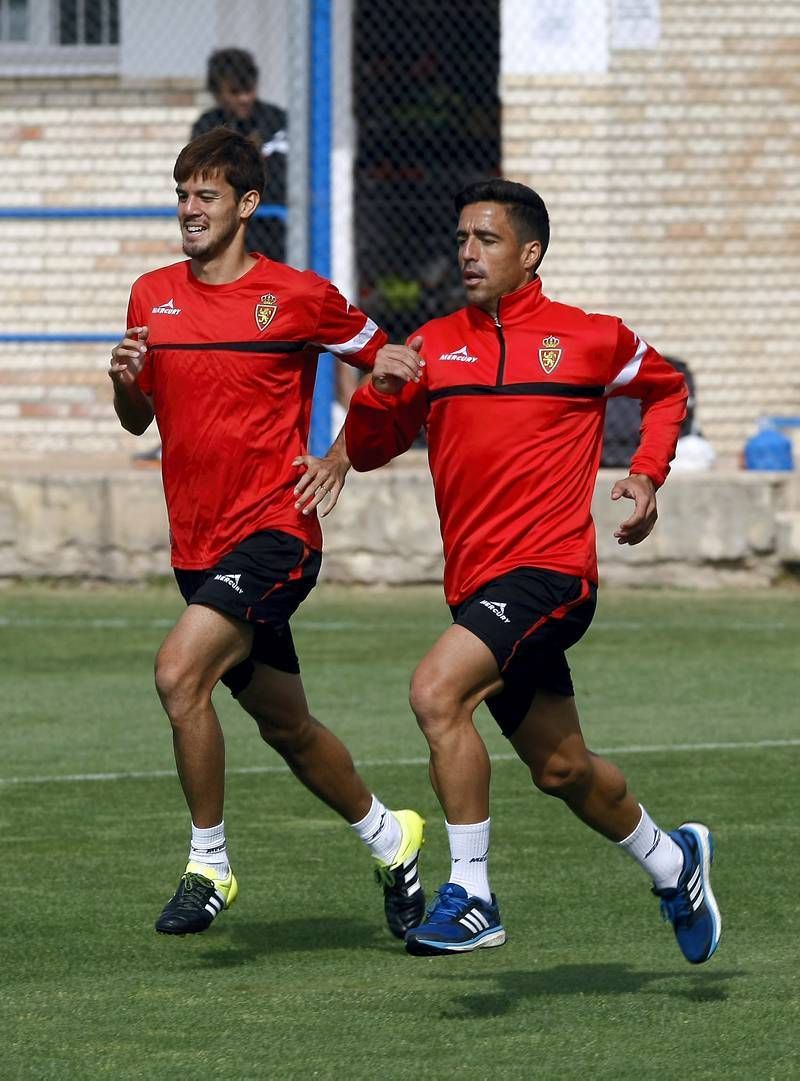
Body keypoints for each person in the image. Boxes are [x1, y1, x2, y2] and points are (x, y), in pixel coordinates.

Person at [344, 178, 721, 963]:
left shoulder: (589, 338)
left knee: (435, 691)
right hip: (479, 587)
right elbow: (375, 448)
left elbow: (667, 388)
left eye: (486, 240)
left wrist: (649, 473)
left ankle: (473, 893)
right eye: (460, 240)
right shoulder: (436, 343)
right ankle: (673, 861)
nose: (468, 253)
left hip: (552, 575)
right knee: (562, 767)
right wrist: (379, 395)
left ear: (530, 253)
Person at [108, 127, 425, 940]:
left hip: (278, 533)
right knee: (287, 725)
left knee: (179, 675)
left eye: (205, 195)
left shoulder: (297, 295)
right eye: (182, 194)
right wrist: (126, 384)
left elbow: (395, 365)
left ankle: (208, 864)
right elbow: (140, 419)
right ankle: (393, 841)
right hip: (198, 546)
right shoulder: (152, 296)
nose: (189, 209)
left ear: (247, 205)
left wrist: (342, 455)